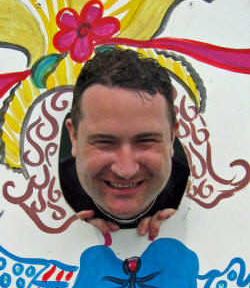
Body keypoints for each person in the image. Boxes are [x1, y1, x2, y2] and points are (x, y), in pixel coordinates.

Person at [60, 47, 189, 239]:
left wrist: (178, 221)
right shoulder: (64, 182)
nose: (125, 169)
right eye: (104, 142)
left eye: (146, 141)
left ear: (171, 137)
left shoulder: (182, 181)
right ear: (74, 136)